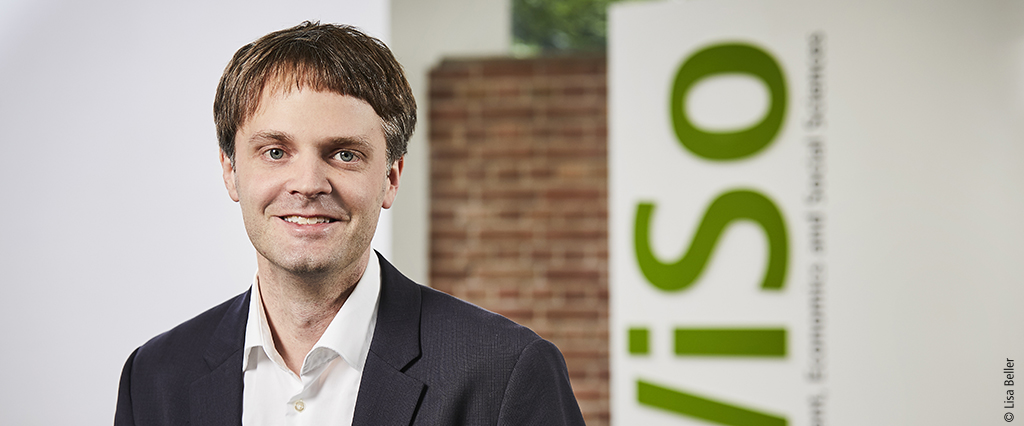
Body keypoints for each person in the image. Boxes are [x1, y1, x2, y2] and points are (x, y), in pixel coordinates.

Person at [114, 21, 585, 426]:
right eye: (275, 152)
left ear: (390, 178)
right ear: (230, 171)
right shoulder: (154, 378)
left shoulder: (505, 373)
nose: (307, 184)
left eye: (344, 154)